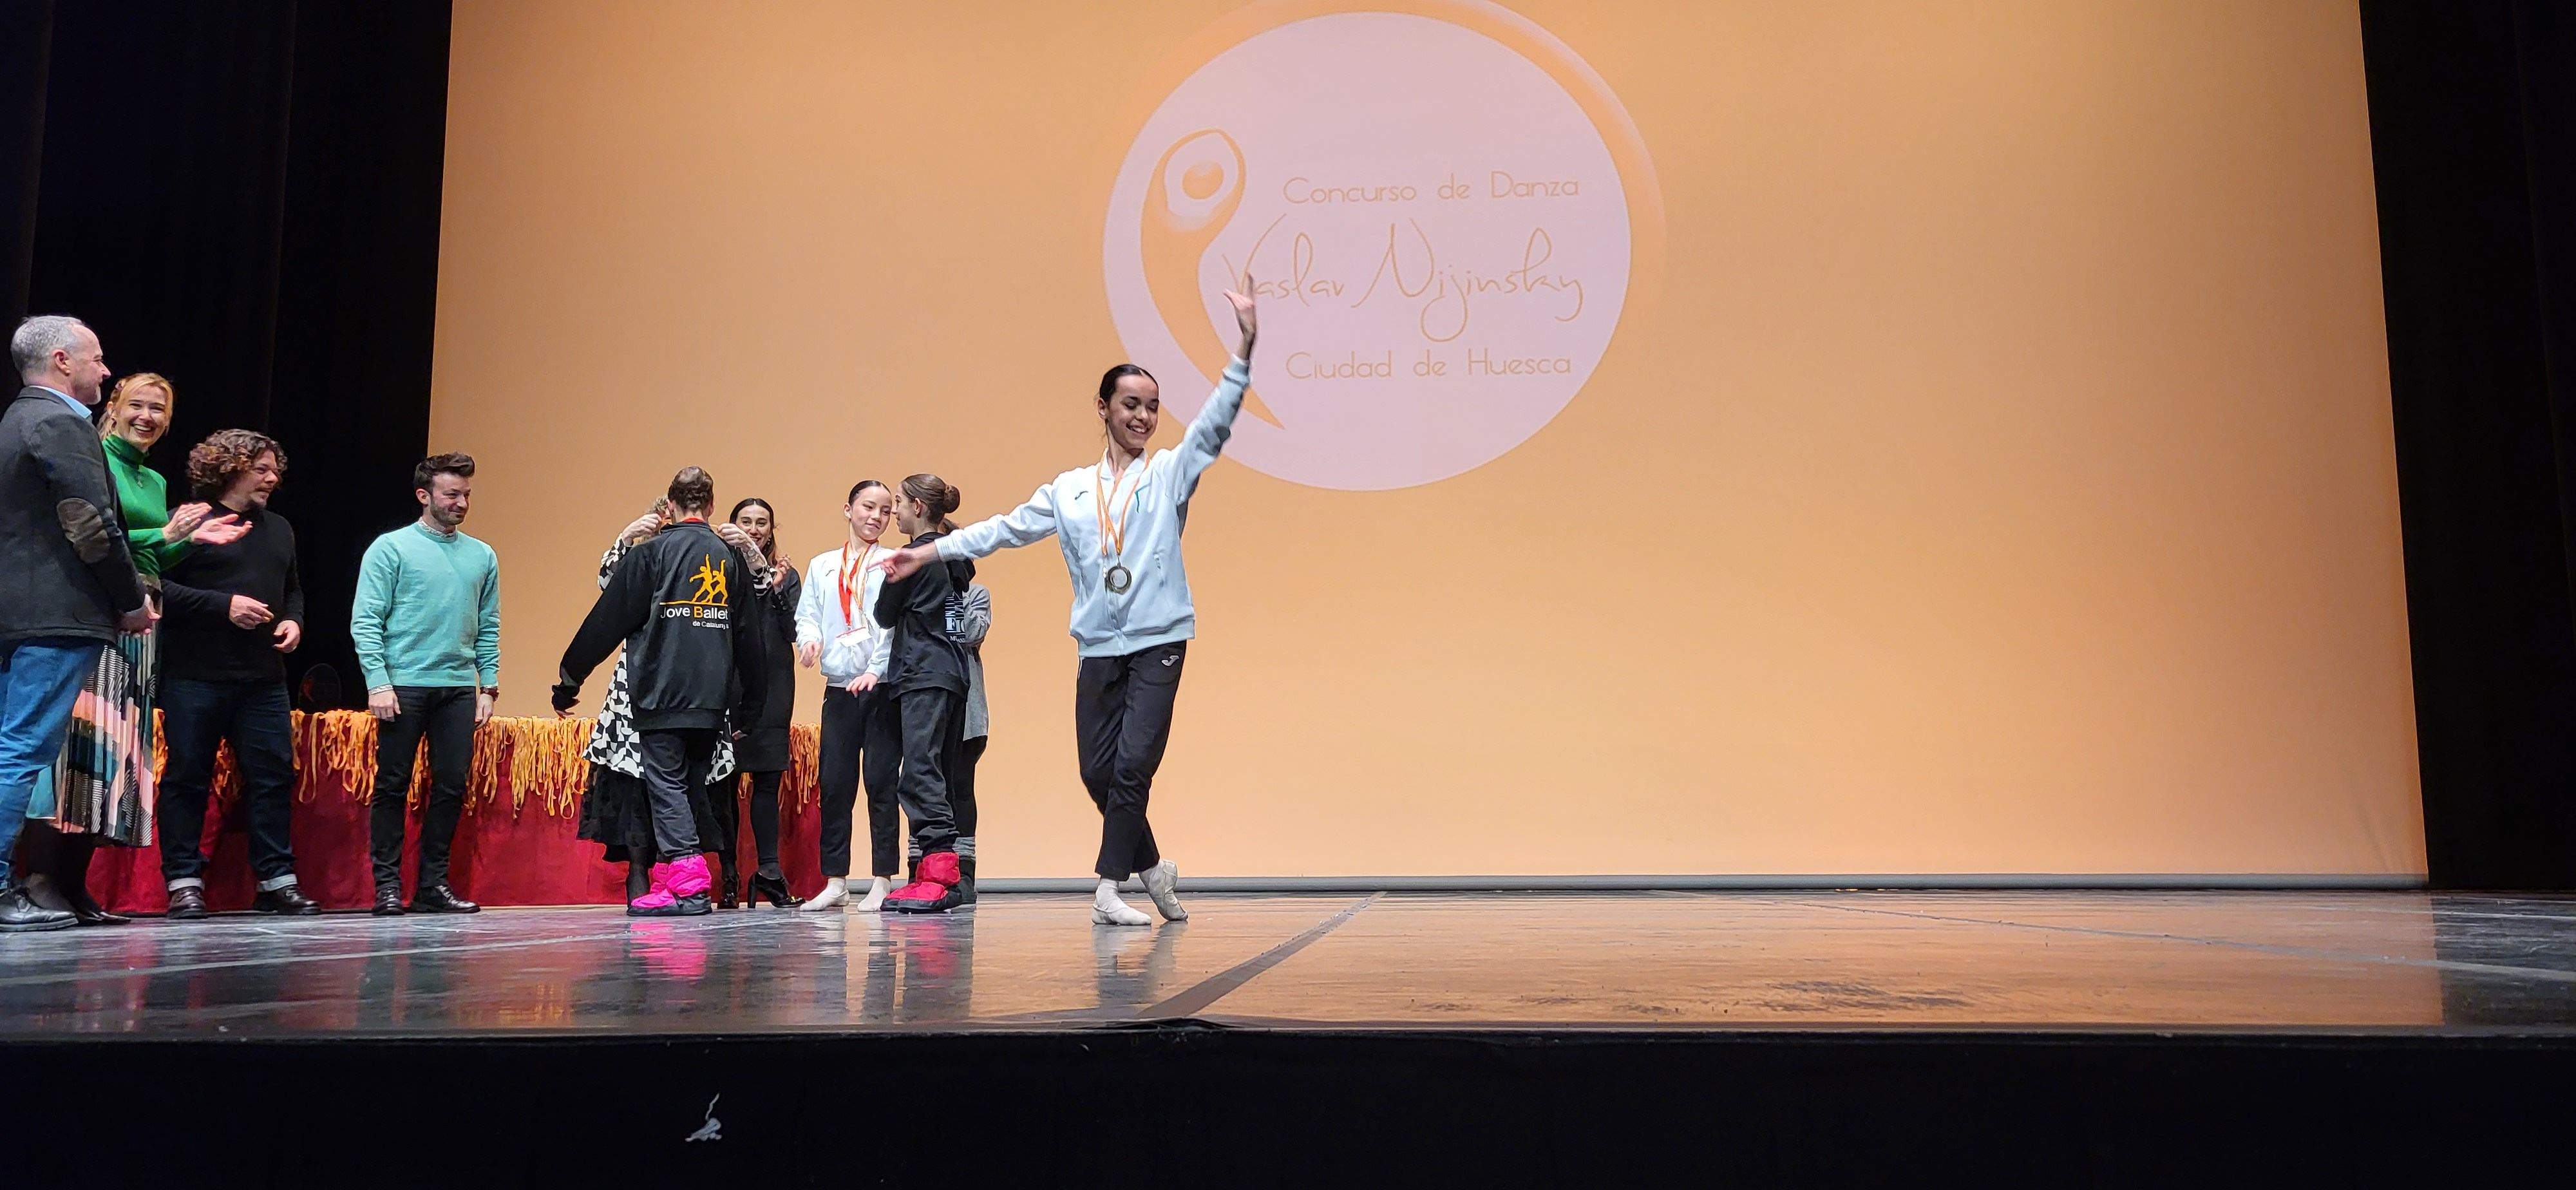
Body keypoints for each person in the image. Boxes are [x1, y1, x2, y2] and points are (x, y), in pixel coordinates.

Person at [879, 281, 1257, 925]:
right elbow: (1001, 528)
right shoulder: (1070, 491)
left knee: (1133, 766)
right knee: (1096, 771)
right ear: (1103, 408)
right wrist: (928, 552)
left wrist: (1243, 349)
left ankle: (1108, 890)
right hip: (1098, 647)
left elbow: (1214, 426)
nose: (1142, 417)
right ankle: (1153, 866)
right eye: (1130, 405)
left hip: (1158, 639)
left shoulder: (1167, 473)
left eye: (1152, 407)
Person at [21, 373, 243, 925]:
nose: (148, 416)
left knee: (116, 755)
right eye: (137, 405)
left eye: (159, 409)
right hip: (100, 612)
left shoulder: (155, 481)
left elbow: (151, 560)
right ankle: (40, 878)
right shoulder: (96, 457)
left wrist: (187, 540)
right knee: (79, 749)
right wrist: (163, 537)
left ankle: (75, 884)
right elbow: (94, 537)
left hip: (144, 622)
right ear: (114, 407)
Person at [0, 316, 156, 932]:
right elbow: (90, 523)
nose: (105, 370)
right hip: (56, 614)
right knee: (20, 750)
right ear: (63, 361)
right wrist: (130, 599)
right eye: (96, 358)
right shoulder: (61, 422)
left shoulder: (16, 418)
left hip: (21, 614)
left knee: (11, 746)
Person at [554, 467, 765, 916]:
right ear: (710, 507)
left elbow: (604, 623)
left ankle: (688, 884)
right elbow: (751, 639)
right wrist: (750, 709)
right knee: (689, 786)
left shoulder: (651, 555)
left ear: (669, 507)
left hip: (659, 693)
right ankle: (674, 881)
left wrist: (569, 679)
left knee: (666, 786)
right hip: (711, 700)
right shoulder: (729, 559)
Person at [155, 428, 315, 918]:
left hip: (263, 679)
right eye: (261, 469)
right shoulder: (189, 520)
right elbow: (155, 585)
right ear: (229, 468)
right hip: (194, 676)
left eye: (275, 470)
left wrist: (294, 620)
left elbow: (293, 589)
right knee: (188, 779)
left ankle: (275, 881)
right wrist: (221, 606)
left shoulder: (280, 528)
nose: (273, 478)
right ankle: (184, 883)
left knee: (271, 779)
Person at [352, 452, 500, 916]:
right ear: (424, 496)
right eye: (451, 494)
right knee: (393, 785)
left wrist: (488, 686)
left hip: (457, 688)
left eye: (466, 495)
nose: (461, 503)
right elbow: (366, 620)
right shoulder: (391, 548)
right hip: (404, 685)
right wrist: (378, 682)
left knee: (452, 785)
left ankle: (433, 885)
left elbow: (488, 624)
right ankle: (389, 887)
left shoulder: (482, 555)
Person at [793, 480, 902, 912]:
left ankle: (882, 879)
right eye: (868, 507)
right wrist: (810, 642)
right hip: (839, 690)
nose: (876, 517)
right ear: (848, 509)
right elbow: (809, 616)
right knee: (836, 785)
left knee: (880, 783)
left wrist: (876, 669)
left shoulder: (892, 563)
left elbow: (892, 627)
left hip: (880, 689)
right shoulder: (822, 566)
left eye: (886, 511)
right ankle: (836, 879)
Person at [875, 473, 976, 914]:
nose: (892, 511)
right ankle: (938, 871)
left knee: (919, 770)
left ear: (917, 507)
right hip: (951, 671)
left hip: (922, 670)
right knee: (934, 769)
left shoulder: (913, 557)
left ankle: (937, 873)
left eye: (897, 503)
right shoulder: (953, 557)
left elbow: (883, 614)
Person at [715, 496, 800, 909]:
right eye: (745, 521)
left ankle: (769, 873)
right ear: (732, 525)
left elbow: (792, 630)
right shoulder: (719, 570)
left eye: (762, 522)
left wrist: (776, 584)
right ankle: (729, 876)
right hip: (726, 686)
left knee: (767, 781)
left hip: (773, 687)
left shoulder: (786, 575)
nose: (754, 529)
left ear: (772, 528)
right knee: (724, 784)